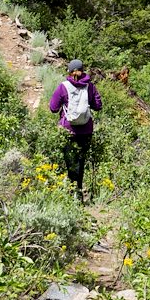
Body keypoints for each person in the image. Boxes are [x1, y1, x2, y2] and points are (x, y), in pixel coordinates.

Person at [48, 59, 102, 201]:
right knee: (80, 161)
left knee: (70, 163)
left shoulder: (63, 87)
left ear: (69, 71)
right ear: (83, 70)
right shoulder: (90, 87)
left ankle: (72, 195)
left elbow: (53, 108)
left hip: (68, 130)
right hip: (86, 131)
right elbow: (98, 105)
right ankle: (78, 191)